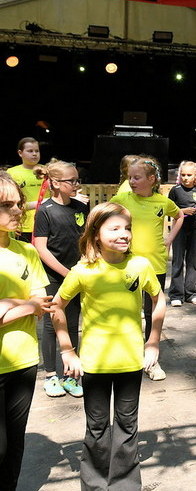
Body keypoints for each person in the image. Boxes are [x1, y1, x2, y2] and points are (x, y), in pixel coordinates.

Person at [51, 202, 165, 491]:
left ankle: (125, 490)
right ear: (95, 234)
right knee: (97, 427)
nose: (123, 234)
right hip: (94, 364)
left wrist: (153, 341)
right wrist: (67, 350)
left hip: (131, 362)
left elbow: (158, 299)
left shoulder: (140, 265)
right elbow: (57, 307)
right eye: (114, 228)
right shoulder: (82, 271)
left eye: (127, 228)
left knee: (127, 426)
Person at [0, 171, 51, 491]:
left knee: (13, 443)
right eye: (7, 205)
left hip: (24, 361)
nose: (18, 210)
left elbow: (42, 304)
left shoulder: (26, 251)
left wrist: (11, 306)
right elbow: (32, 304)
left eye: (18, 202)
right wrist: (27, 305)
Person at [111, 157, 183, 381]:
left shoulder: (162, 202)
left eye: (136, 177)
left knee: (153, 310)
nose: (131, 181)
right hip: (127, 263)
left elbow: (179, 216)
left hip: (156, 264)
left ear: (151, 180)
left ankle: (151, 357)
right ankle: (126, 351)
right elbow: (103, 217)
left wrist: (169, 240)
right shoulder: (122, 199)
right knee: (127, 308)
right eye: (129, 177)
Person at [33, 159, 88, 398]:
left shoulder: (80, 207)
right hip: (54, 277)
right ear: (55, 183)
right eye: (71, 181)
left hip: (76, 275)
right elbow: (41, 248)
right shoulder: (45, 211)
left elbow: (85, 239)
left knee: (73, 323)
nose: (77, 184)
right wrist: (67, 274)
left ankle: (70, 375)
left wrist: (82, 269)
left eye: (78, 180)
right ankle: (50, 375)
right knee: (51, 324)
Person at [168, 161, 196, 307]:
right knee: (177, 260)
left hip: (195, 228)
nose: (185, 178)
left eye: (189, 175)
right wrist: (182, 211)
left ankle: (191, 293)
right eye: (183, 175)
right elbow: (169, 210)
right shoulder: (175, 190)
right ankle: (176, 294)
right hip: (179, 229)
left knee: (192, 261)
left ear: (195, 175)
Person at [7, 137, 48, 242]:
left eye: (37, 151)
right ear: (20, 153)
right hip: (23, 225)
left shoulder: (48, 170)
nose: (34, 154)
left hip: (47, 223)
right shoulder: (11, 173)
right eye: (30, 151)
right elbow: (8, 202)